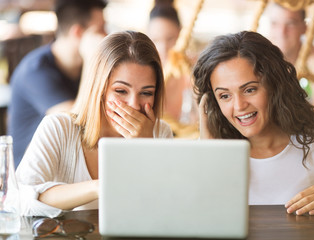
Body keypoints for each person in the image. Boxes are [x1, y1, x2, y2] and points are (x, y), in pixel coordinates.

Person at [193, 31, 314, 215]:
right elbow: (198, 218)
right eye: (224, 96)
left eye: (249, 90)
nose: (239, 106)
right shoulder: (212, 151)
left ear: (275, 85)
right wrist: (206, 148)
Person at [16, 31, 173, 217]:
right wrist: (98, 187)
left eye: (146, 93)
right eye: (121, 91)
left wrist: (147, 150)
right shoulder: (59, 127)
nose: (134, 105)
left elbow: (168, 208)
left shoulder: (160, 132)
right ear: (100, 89)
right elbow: (20, 200)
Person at [8, 0, 107, 168]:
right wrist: (92, 59)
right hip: (31, 177)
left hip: (69, 164)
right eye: (100, 29)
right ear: (77, 32)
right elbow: (76, 124)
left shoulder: (81, 68)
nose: (106, 35)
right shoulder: (35, 71)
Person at [265, 3, 314, 117]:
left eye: (290, 23)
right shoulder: (259, 57)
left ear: (304, 27)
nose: (282, 32)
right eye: (275, 23)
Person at [148, 0, 198, 137]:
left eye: (170, 39)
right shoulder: (145, 80)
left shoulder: (194, 73)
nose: (164, 49)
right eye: (156, 40)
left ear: (182, 36)